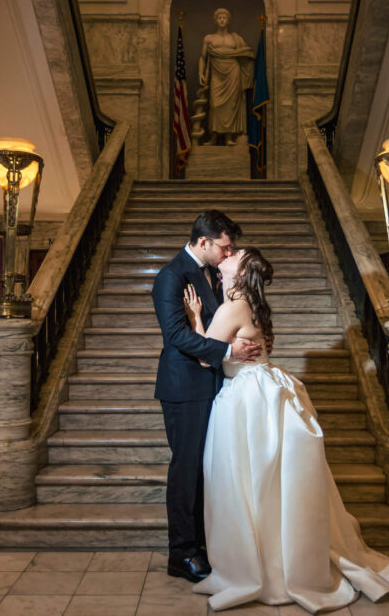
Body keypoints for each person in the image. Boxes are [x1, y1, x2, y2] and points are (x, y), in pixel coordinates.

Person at [183, 247, 389, 613]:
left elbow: (203, 356)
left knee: (247, 481)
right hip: (267, 388)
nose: (228, 253)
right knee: (271, 483)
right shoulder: (253, 305)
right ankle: (281, 557)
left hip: (247, 398)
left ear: (241, 273)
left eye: (235, 254)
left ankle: (261, 567)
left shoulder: (232, 308)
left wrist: (196, 317)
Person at [152, 210, 262, 583]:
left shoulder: (211, 274)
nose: (228, 254)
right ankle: (181, 554)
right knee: (186, 469)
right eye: (224, 247)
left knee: (206, 469)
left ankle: (202, 544)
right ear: (204, 241)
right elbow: (176, 336)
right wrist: (230, 352)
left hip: (211, 383)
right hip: (184, 387)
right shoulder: (171, 276)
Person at [198, 8, 254, 145]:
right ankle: (213, 137)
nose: (222, 20)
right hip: (217, 73)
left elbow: (246, 53)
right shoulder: (209, 38)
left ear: (228, 21)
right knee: (215, 105)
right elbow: (203, 57)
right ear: (215, 20)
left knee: (232, 105)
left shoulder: (235, 38)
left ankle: (229, 137)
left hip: (233, 73)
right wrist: (200, 72)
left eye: (224, 17)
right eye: (219, 17)